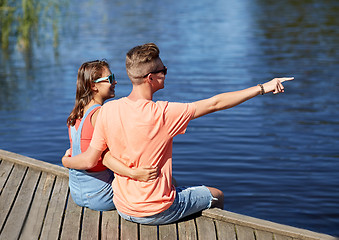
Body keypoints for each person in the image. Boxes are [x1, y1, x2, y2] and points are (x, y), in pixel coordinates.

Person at [62, 43, 293, 224]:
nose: (166, 73)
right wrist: (262, 88)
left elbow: (102, 155)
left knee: (173, 181)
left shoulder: (108, 110)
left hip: (123, 207)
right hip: (155, 210)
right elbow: (215, 103)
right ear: (150, 78)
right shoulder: (163, 113)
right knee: (216, 194)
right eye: (163, 70)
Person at [62, 60, 158, 211]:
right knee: (159, 181)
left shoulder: (76, 114)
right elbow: (102, 159)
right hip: (101, 196)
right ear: (93, 86)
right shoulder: (101, 113)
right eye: (110, 79)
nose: (115, 82)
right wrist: (135, 173)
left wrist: (67, 160)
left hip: (77, 193)